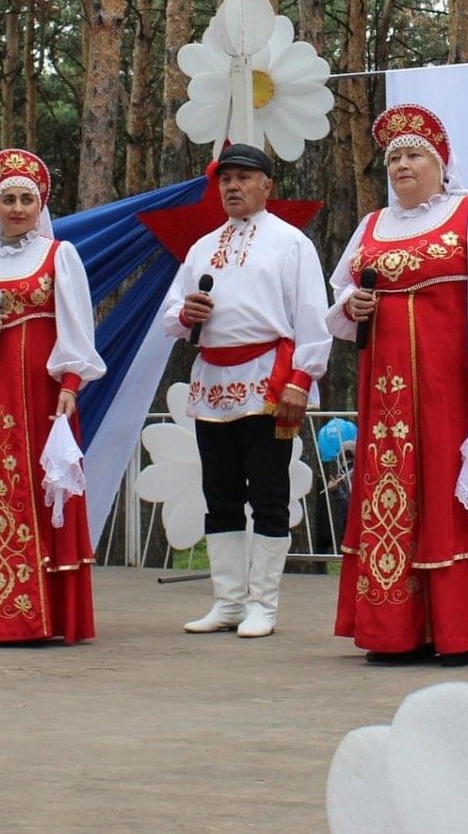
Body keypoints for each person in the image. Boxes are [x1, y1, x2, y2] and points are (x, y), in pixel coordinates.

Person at [327, 104, 468, 665]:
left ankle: (458, 628)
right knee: (390, 492)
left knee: (449, 486)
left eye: (414, 154)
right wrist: (356, 302)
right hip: (386, 392)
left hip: (451, 387)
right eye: (393, 157)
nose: (401, 165)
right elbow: (341, 302)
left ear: (441, 165)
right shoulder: (371, 227)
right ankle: (394, 629)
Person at [161, 143, 331, 637]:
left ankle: (264, 605)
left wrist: (302, 380)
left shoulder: (291, 243)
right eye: (225, 179)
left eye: (243, 177)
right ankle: (228, 601)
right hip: (212, 380)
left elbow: (312, 319)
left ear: (267, 186)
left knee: (270, 491)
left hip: (270, 380)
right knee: (220, 492)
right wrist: (184, 316)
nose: (232, 186)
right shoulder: (200, 247)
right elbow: (171, 314)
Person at [0, 148, 103, 643]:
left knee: (39, 485)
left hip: (40, 394)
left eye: (25, 200)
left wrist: (71, 385)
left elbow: (78, 329)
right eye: (6, 199)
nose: (15, 209)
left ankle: (44, 614)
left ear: (40, 206)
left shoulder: (60, 256)